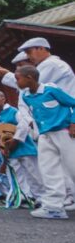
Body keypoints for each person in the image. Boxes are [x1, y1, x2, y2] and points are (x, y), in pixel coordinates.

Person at [15, 65, 75, 219]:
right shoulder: (26, 96)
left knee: (73, 166)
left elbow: (73, 103)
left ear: (29, 78)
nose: (16, 82)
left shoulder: (51, 90)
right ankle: (54, 207)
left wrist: (73, 122)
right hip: (44, 135)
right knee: (48, 169)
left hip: (63, 132)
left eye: (18, 78)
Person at [0, 90, 43, 204]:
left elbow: (23, 126)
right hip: (8, 150)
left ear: (3, 99)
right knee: (17, 173)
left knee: (33, 173)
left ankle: (41, 197)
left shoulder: (14, 111)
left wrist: (15, 140)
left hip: (23, 146)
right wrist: (0, 147)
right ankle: (24, 196)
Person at [0, 37, 75, 96]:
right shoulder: (50, 63)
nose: (28, 56)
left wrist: (7, 75)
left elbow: (30, 85)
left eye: (29, 52)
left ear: (41, 48)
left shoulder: (51, 64)